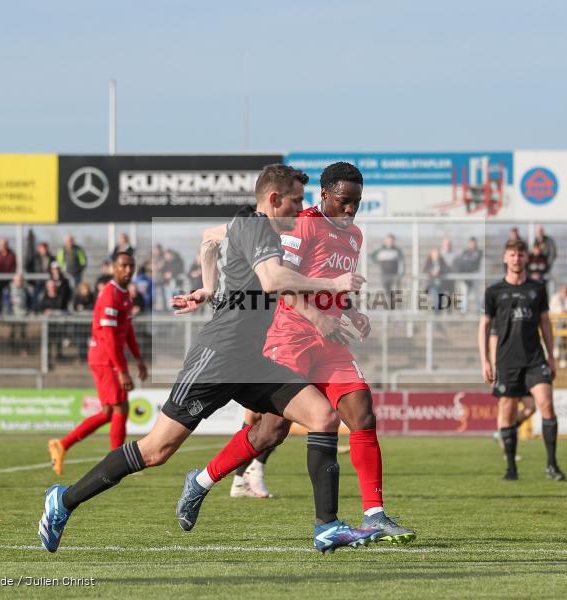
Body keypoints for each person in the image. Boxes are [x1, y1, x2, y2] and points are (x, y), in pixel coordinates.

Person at [38, 164, 375, 555]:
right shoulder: (258, 227)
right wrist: (331, 285)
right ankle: (63, 501)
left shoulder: (246, 224)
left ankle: (327, 526)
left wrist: (209, 289)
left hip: (251, 360)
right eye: (297, 201)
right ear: (274, 200)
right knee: (156, 451)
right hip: (217, 358)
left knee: (323, 417)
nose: (302, 208)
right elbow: (272, 281)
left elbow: (207, 240)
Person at [179, 162, 415, 544]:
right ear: (324, 195)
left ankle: (375, 515)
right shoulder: (302, 224)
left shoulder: (353, 234)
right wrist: (317, 317)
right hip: (289, 336)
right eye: (343, 201)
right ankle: (202, 480)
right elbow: (278, 282)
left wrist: (351, 311)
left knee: (362, 412)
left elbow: (331, 285)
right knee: (271, 431)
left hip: (331, 340)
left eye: (356, 202)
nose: (350, 210)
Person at [47, 251, 148, 477]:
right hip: (104, 358)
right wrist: (122, 370)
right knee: (120, 408)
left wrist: (139, 359)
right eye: (123, 265)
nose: (128, 270)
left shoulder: (124, 295)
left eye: (131, 265)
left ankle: (62, 445)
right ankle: (118, 462)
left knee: (107, 412)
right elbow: (110, 337)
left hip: (108, 357)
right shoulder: (110, 295)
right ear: (114, 268)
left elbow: (127, 330)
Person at [478, 239, 564, 482]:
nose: (516, 259)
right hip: (506, 361)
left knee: (546, 404)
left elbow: (545, 324)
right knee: (507, 411)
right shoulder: (494, 291)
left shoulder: (537, 288)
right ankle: (511, 469)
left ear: (527, 258)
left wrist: (551, 356)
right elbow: (484, 327)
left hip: (535, 359)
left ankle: (552, 465)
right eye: (512, 255)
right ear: (506, 258)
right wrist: (485, 360)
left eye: (520, 255)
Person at [370, 234, 404, 309]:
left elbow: (401, 262)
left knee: (395, 291)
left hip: (394, 274)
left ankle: (398, 307)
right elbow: (371, 256)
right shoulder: (380, 249)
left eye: (391, 240)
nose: (390, 242)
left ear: (394, 241)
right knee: (387, 292)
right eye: (388, 240)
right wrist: (377, 261)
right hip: (384, 274)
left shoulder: (397, 250)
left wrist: (401, 273)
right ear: (385, 241)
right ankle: (390, 307)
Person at [453, 237, 483, 314]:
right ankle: (463, 311)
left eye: (474, 242)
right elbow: (461, 261)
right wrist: (467, 262)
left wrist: (467, 262)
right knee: (464, 292)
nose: (472, 244)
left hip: (475, 274)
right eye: (471, 242)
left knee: (477, 293)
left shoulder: (479, 251)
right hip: (466, 274)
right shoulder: (466, 251)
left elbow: (474, 263)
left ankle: (479, 310)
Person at [71, 281, 96, 362]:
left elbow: (93, 306)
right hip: (80, 323)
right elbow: (74, 306)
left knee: (91, 341)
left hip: (89, 322)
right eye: (83, 289)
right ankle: (82, 357)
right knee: (81, 340)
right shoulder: (77, 297)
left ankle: (90, 357)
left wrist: (84, 308)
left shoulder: (92, 296)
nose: (85, 291)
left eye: (86, 289)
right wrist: (78, 307)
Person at [0, 239, 17, 315]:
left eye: (4, 244)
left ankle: (10, 313)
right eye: (2, 244)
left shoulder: (11, 254)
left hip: (9, 279)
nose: (3, 246)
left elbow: (14, 267)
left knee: (10, 296)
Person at [423, 247, 448, 312]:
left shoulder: (441, 261)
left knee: (440, 303)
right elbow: (425, 270)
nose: (435, 256)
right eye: (434, 255)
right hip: (432, 285)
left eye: (437, 254)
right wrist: (431, 272)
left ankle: (437, 320)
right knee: (436, 302)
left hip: (441, 285)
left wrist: (439, 272)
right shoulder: (429, 261)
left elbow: (446, 269)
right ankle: (435, 319)